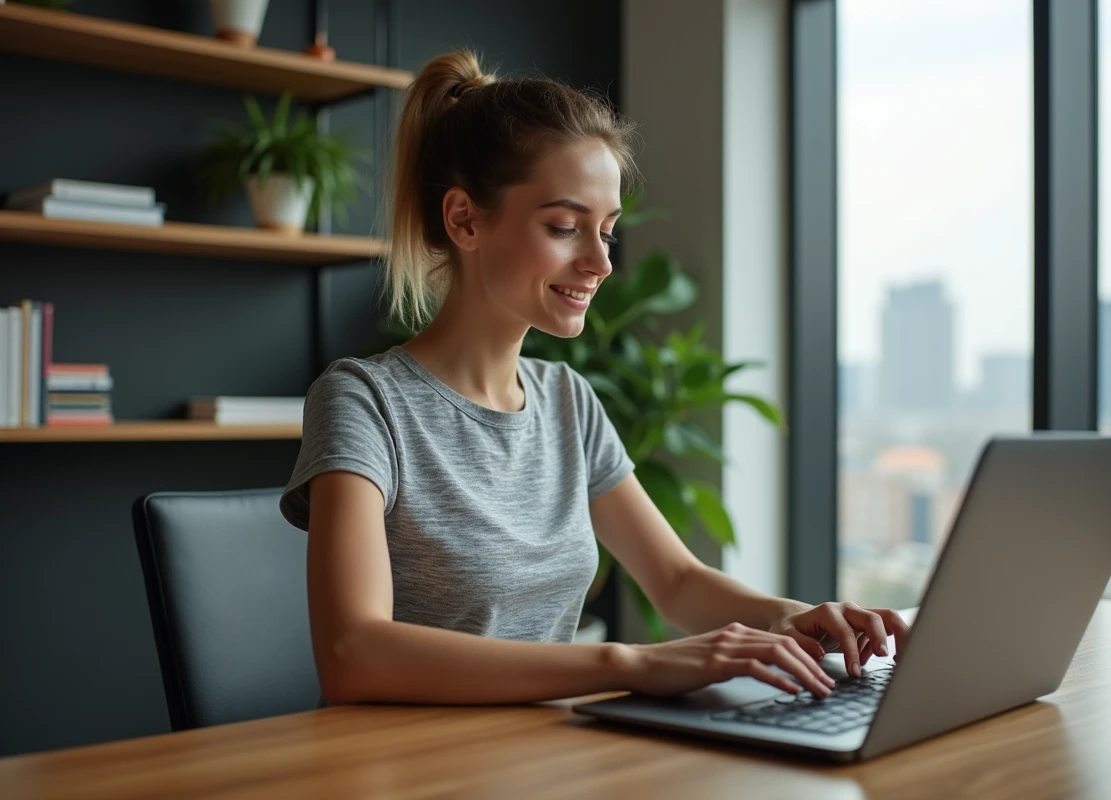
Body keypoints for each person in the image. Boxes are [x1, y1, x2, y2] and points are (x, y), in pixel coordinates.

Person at [279, 50, 910, 708]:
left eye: (605, 232)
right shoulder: (364, 401)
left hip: (542, 750)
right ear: (464, 218)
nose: (600, 262)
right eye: (564, 228)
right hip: (408, 757)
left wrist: (791, 616)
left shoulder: (566, 401)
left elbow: (676, 581)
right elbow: (354, 653)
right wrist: (629, 662)